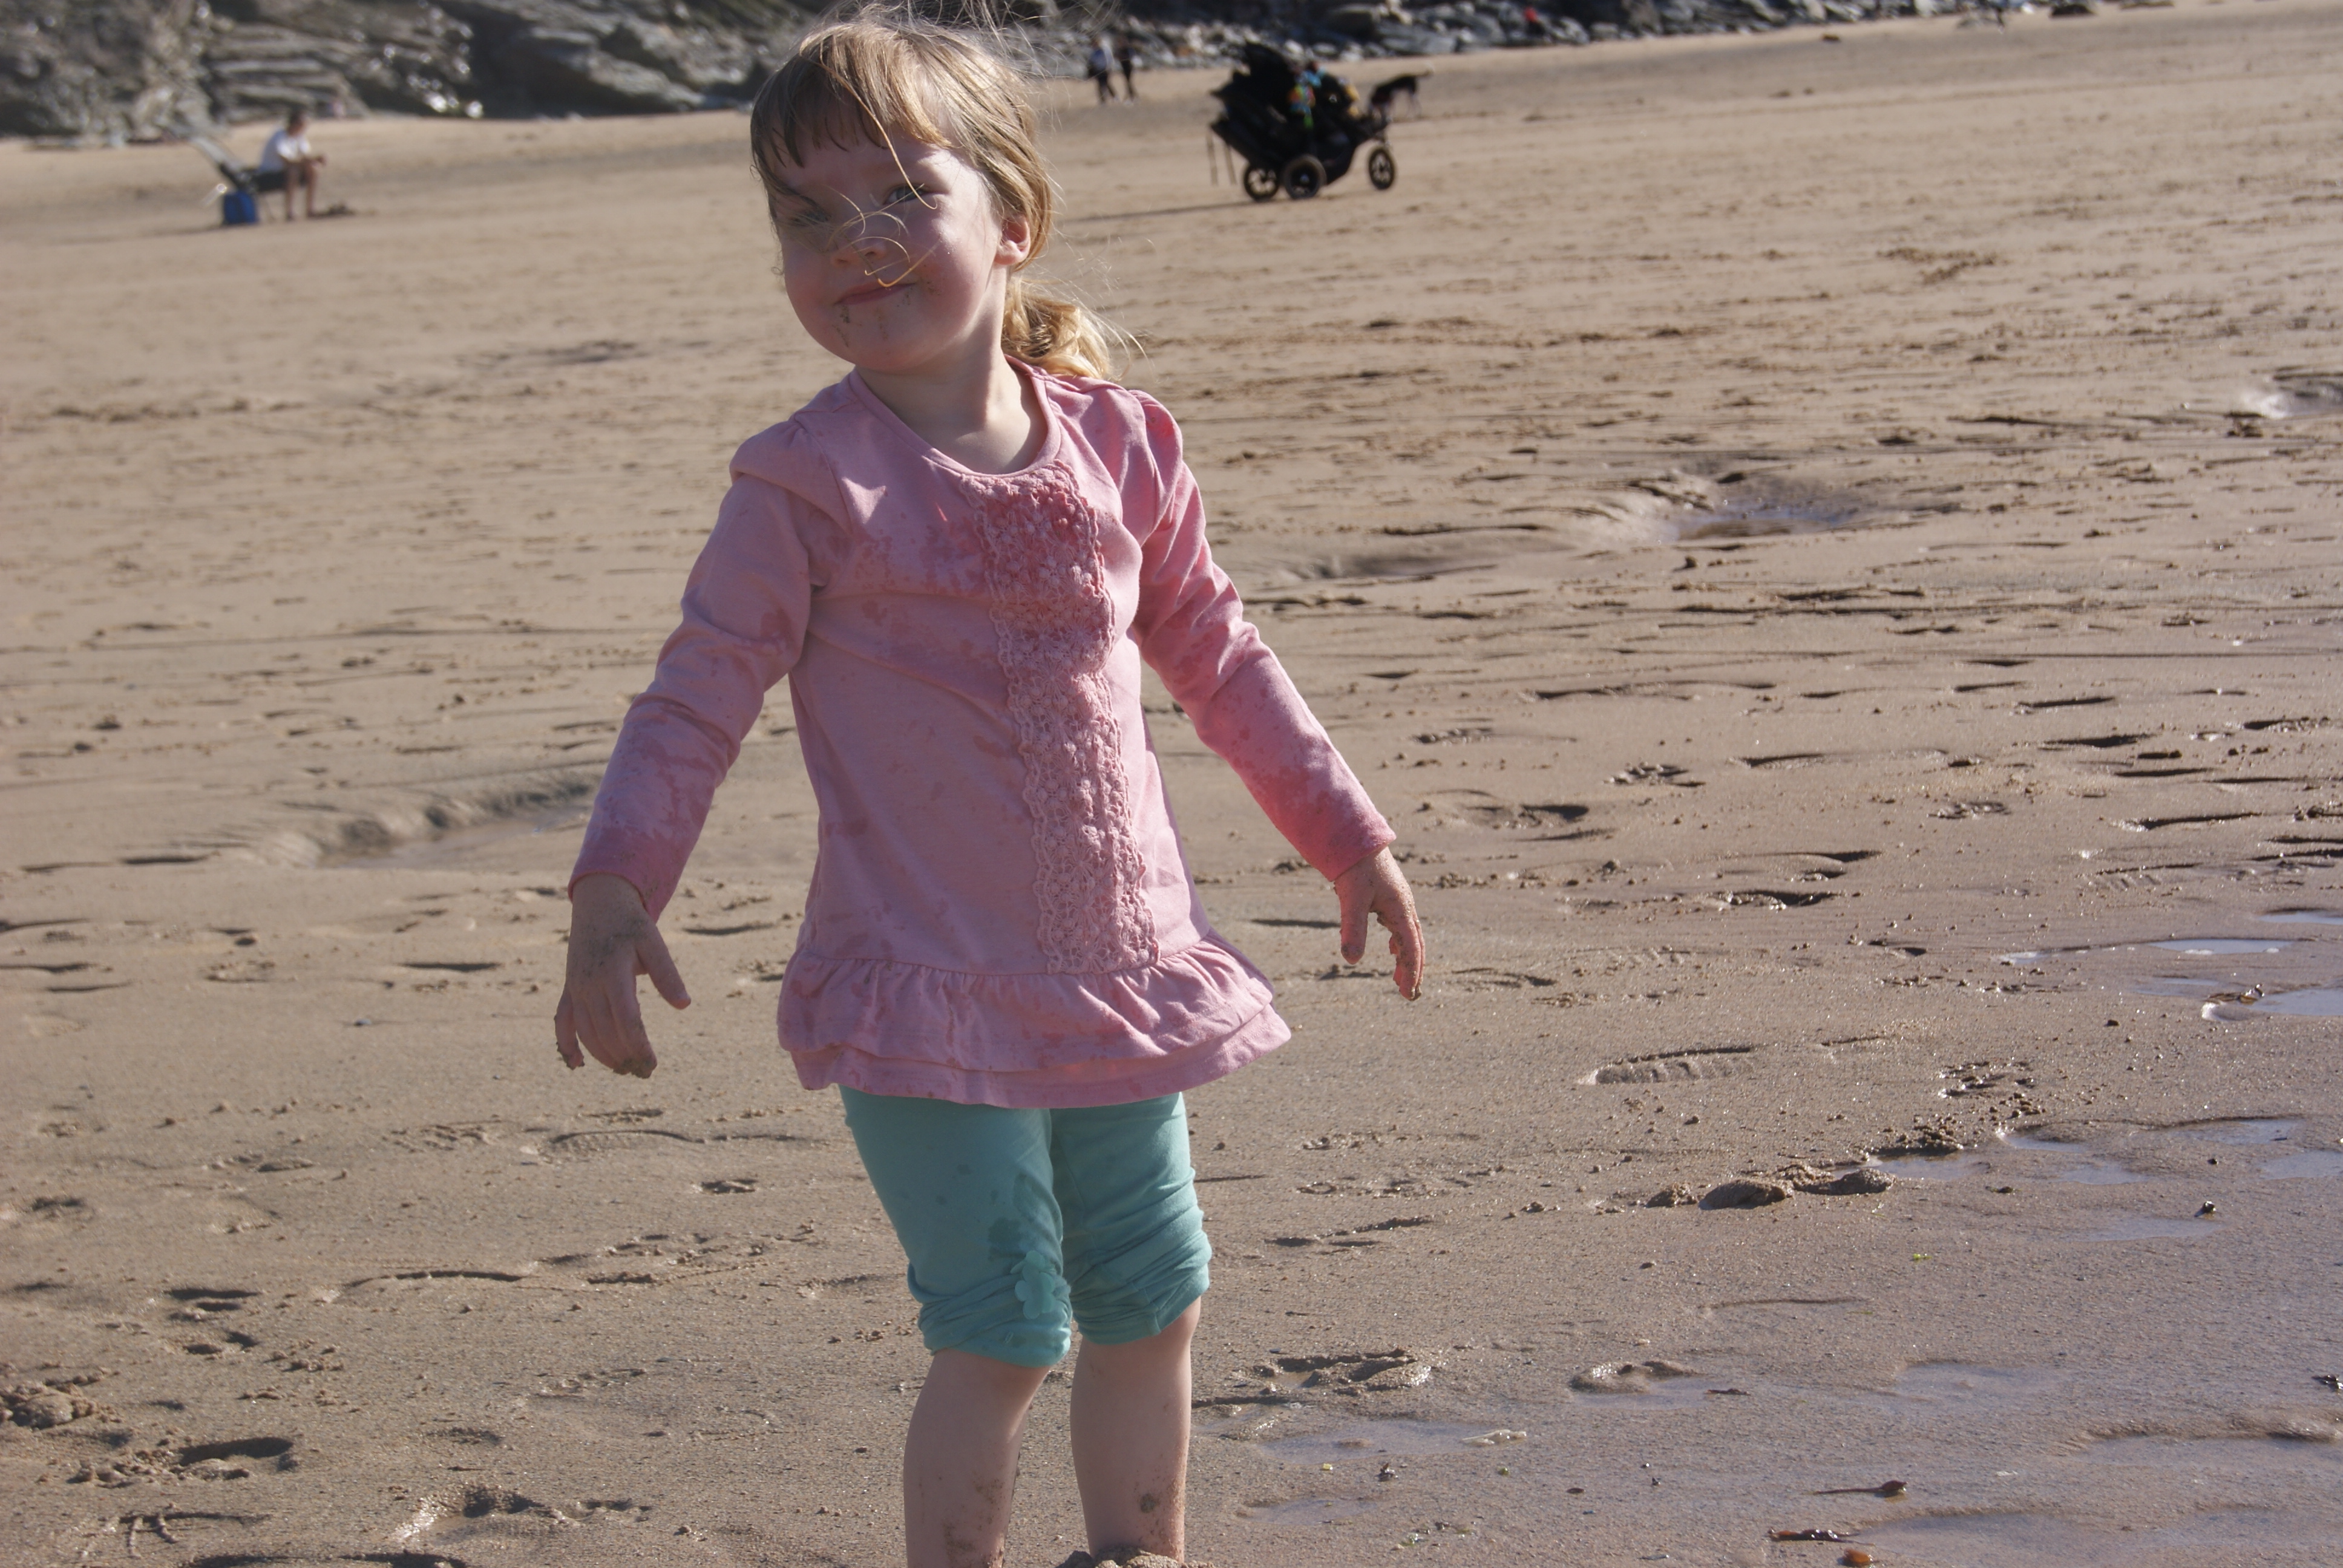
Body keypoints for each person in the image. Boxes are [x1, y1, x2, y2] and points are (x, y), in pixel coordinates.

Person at [552, 13, 1424, 1568]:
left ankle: (1138, 1553)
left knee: (1152, 1299)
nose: (855, 242)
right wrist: (616, 894)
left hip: (1115, 969)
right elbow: (695, 696)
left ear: (1011, 219)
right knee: (1004, 1324)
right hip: (926, 988)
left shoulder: (1119, 447)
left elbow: (1217, 651)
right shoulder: (806, 485)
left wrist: (1344, 832)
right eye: (808, 215)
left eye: (901, 195)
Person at [253, 106, 326, 221]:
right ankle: (289, 212)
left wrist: (315, 160)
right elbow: (287, 161)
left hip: (286, 171)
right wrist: (307, 162)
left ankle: (310, 209)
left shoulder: (299, 137)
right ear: (294, 124)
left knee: (313, 168)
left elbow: (305, 156)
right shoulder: (279, 136)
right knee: (293, 171)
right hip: (269, 174)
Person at [1086, 36, 1116, 103]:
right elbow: (1092, 60)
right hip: (1098, 69)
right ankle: (1103, 100)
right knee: (1100, 85)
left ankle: (1114, 97)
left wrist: (1109, 67)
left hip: (1105, 69)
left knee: (1106, 84)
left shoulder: (1104, 50)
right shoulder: (1094, 52)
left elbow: (1109, 59)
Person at [1115, 34, 1139, 100]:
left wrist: (1122, 57)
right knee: (1127, 82)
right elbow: (1116, 57)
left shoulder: (1128, 49)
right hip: (1123, 67)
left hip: (1128, 66)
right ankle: (1131, 95)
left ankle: (1132, 96)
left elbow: (1131, 56)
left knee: (1129, 82)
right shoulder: (1120, 50)